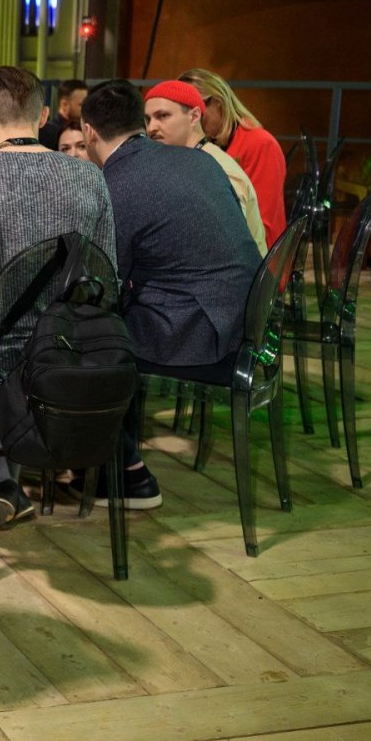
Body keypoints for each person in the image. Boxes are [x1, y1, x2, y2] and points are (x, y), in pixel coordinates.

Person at [0, 66, 115, 531]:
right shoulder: (90, 178)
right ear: (45, 115)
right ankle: (1, 481)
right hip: (66, 360)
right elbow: (106, 279)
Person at [81, 79, 262, 506]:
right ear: (139, 123)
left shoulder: (117, 183)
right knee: (104, 324)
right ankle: (109, 465)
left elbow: (103, 279)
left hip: (206, 335)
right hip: (247, 320)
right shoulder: (198, 160)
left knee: (86, 336)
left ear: (88, 131)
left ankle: (126, 474)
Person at [144, 79, 267, 250]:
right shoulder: (189, 159)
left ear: (194, 116)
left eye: (163, 116)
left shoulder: (218, 168)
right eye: (147, 119)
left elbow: (230, 246)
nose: (151, 128)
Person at [181, 68, 285, 247]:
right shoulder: (206, 144)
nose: (192, 122)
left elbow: (263, 227)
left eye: (196, 113)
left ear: (218, 103)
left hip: (258, 255)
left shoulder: (260, 144)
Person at [38, 79, 88, 149]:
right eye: (81, 105)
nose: (86, 108)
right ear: (64, 104)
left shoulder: (82, 128)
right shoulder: (50, 135)